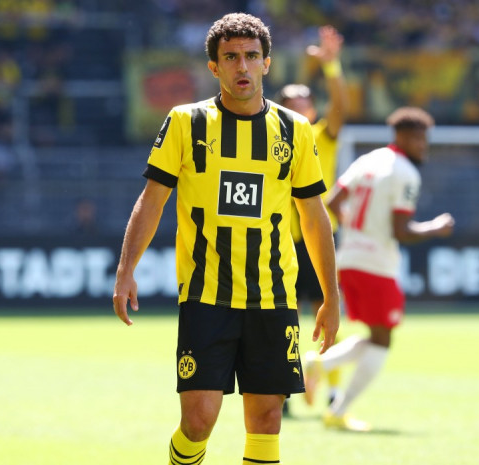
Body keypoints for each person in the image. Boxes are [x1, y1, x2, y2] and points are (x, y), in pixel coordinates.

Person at [112, 13, 340, 464]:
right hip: (206, 295)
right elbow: (151, 201)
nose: (243, 66)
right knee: (198, 421)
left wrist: (331, 296)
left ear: (267, 64)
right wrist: (125, 270)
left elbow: (314, 218)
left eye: (252, 56)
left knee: (267, 419)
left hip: (273, 296)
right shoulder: (186, 122)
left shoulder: (294, 130)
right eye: (231, 57)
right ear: (214, 67)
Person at [303, 106, 455, 431]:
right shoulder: (406, 173)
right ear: (401, 136)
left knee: (377, 336)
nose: (423, 146)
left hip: (348, 257)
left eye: (425, 140)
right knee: (383, 340)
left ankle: (322, 372)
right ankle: (335, 403)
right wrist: (436, 227)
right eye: (418, 139)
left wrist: (356, 229)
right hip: (376, 263)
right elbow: (402, 231)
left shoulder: (368, 160)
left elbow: (332, 202)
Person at [276, 24, 348, 414]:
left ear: (313, 110)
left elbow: (341, 108)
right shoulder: (270, 141)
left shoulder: (322, 136)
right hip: (281, 240)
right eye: (291, 102)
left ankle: (334, 391)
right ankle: (285, 387)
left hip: (320, 237)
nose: (300, 106)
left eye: (305, 101)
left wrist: (331, 67)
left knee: (328, 311)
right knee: (285, 318)